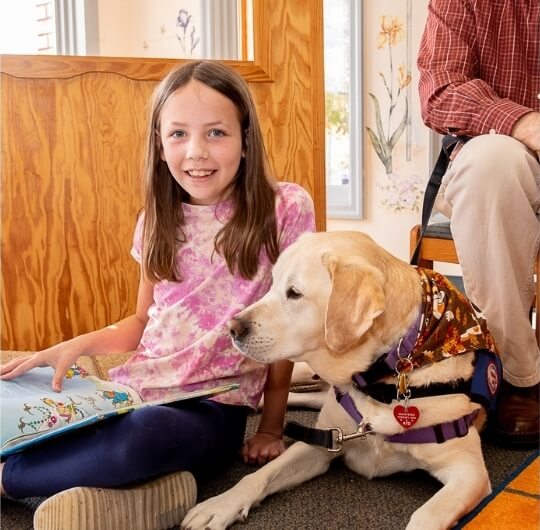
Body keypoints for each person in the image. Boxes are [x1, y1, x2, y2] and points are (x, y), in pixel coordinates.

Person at [0, 60, 316, 529]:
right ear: (159, 143)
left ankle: (8, 478)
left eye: (216, 133)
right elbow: (141, 321)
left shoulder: (285, 207)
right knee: (38, 403)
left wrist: (270, 427)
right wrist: (74, 345)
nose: (196, 152)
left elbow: (290, 327)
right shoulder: (154, 221)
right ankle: (146, 495)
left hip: (212, 408)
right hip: (133, 391)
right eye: (178, 135)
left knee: (136, 442)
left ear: (246, 139)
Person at [417, 0, 539, 447]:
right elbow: (441, 90)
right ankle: (517, 374)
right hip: (503, 159)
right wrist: (525, 123)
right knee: (491, 162)